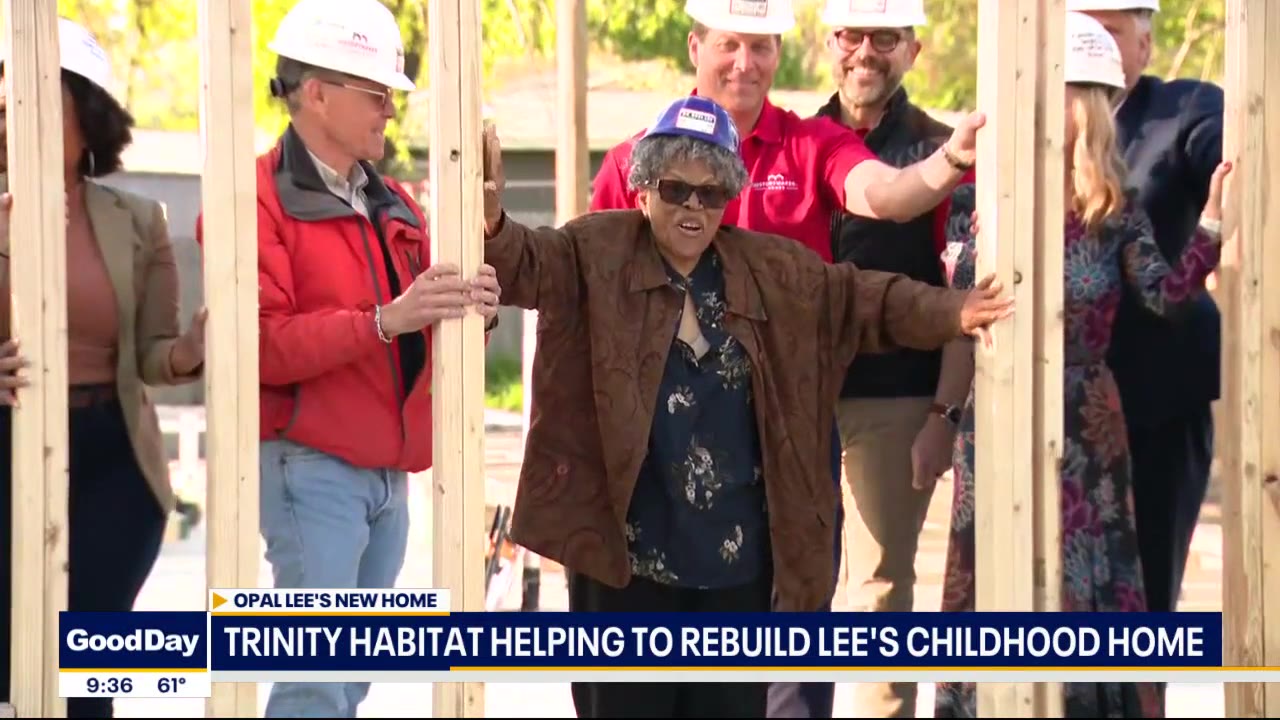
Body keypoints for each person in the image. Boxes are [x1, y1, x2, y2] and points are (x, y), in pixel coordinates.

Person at [484, 94, 1013, 719]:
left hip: (735, 565)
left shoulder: (771, 269)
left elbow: (864, 300)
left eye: (712, 194)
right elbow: (522, 261)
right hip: (624, 563)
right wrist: (490, 221)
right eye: (677, 189)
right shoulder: (593, 249)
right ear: (644, 189)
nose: (693, 208)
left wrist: (955, 311)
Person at [589, 3, 981, 714]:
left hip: (784, 436)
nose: (745, 63)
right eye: (730, 45)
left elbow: (884, 196)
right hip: (659, 447)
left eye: (762, 47)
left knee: (793, 626)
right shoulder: (631, 161)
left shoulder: (812, 145)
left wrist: (950, 160)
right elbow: (582, 288)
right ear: (695, 47)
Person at [193, 0, 501, 715]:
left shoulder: (393, 201)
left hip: (386, 476)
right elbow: (260, 347)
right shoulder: (250, 203)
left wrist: (473, 312)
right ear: (315, 92)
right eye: (376, 92)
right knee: (317, 679)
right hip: (310, 467)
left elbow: (425, 326)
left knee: (347, 678)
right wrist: (386, 321)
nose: (390, 109)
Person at [933, 12, 1231, 718]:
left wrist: (1213, 222)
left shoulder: (1114, 209)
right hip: (1001, 413)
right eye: (1045, 91)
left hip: (1090, 423)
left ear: (1094, 107)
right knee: (995, 580)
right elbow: (958, 300)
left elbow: (1163, 294)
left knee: (1089, 583)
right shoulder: (982, 201)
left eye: (1073, 93)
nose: (1056, 107)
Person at [0, 17, 207, 719]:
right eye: (4, 103)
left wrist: (192, 351)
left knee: (87, 662)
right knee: (13, 660)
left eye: (35, 100)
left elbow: (153, 353)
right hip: (9, 445)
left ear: (86, 119)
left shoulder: (138, 218)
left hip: (113, 455)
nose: (13, 118)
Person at [810, 2, 975, 715]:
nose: (866, 52)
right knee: (796, 589)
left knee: (880, 594)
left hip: (899, 399)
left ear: (912, 49)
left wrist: (944, 413)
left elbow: (964, 293)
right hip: (795, 398)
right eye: (852, 35)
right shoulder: (795, 139)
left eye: (885, 38)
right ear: (829, 43)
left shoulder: (949, 152)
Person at [1068, 0, 1224, 620]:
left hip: (1159, 402)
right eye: (1077, 28)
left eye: (1107, 31)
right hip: (1061, 411)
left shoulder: (1184, 108)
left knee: (1147, 597)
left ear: (1145, 45)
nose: (1088, 44)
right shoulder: (1029, 124)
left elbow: (1229, 158)